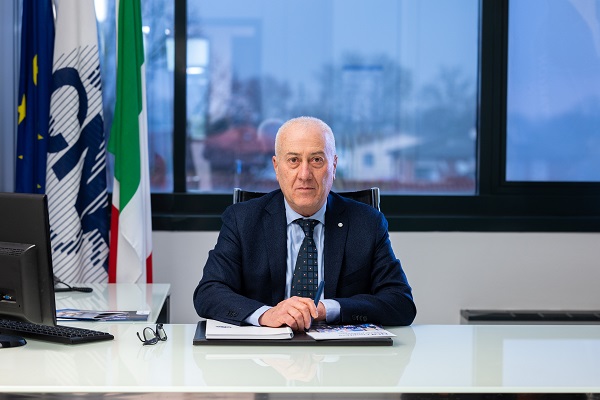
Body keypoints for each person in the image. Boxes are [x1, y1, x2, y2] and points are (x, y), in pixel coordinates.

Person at [193, 116, 416, 331]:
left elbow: (400, 302)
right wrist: (266, 314)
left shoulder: (367, 223)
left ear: (334, 165)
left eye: (316, 160)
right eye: (293, 160)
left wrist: (327, 309)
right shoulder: (242, 220)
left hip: (342, 353)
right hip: (264, 350)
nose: (304, 174)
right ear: (276, 167)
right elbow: (209, 292)